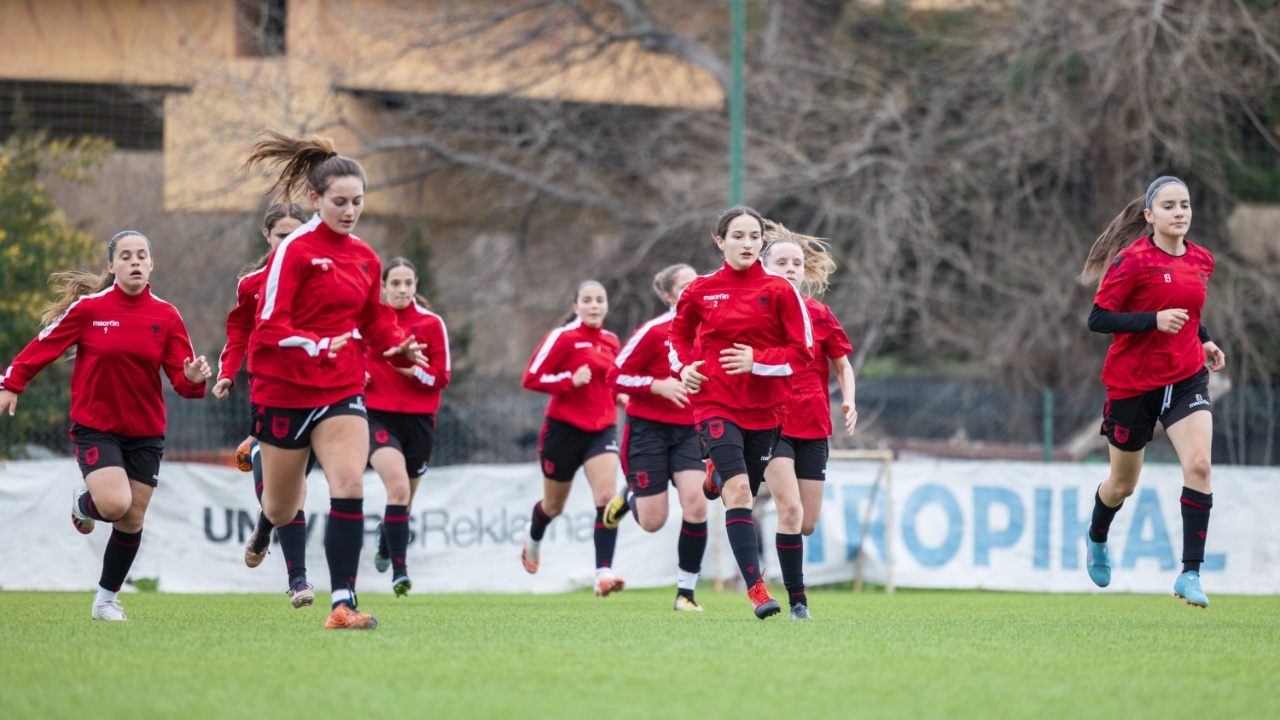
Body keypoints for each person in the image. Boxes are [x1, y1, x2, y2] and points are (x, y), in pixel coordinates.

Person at [239, 130, 426, 630]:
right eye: (339, 202)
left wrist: (397, 346)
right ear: (314, 199)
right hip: (282, 388)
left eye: (358, 202)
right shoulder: (293, 252)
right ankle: (263, 473)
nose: (349, 211)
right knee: (281, 507)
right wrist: (318, 344)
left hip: (342, 387)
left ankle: (342, 603)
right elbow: (271, 326)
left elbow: (375, 320)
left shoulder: (366, 257)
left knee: (348, 487)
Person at [0, 230, 211, 621]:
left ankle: (105, 601)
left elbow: (182, 381)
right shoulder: (88, 309)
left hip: (146, 431)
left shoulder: (166, 315)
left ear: (151, 265)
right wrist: (11, 383)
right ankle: (85, 503)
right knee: (114, 505)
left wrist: (195, 378)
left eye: (141, 255)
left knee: (132, 518)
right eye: (126, 256)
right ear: (111, 266)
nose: (134, 262)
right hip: (96, 426)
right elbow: (44, 344)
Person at [1080, 176, 1225, 608]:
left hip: (1185, 378)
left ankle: (1190, 573)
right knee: (1122, 485)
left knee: (1199, 464)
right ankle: (1097, 535)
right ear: (1149, 215)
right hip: (1132, 384)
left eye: (1184, 205)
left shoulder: (1201, 259)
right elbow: (1098, 318)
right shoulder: (1132, 260)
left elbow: (1189, 310)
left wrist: (1204, 338)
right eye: (1168, 206)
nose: (1179, 212)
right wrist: (1152, 320)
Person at [668, 206, 813, 619]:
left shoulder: (781, 291)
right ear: (720, 241)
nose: (748, 243)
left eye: (754, 236)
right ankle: (756, 590)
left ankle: (714, 469)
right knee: (740, 493)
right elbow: (676, 335)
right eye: (738, 236)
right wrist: (685, 368)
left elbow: (801, 354)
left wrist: (758, 362)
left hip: (767, 409)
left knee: (740, 486)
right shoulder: (699, 290)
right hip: (715, 401)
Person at [212, 202, 316, 608]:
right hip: (269, 392)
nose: (288, 243)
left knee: (286, 493)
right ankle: (299, 581)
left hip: (316, 395)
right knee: (293, 492)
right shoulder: (252, 284)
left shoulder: (318, 279)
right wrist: (226, 373)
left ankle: (262, 528)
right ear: (267, 236)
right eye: (280, 236)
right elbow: (237, 332)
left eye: (296, 235)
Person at [758, 222, 858, 619]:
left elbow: (842, 365)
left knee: (807, 524)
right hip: (772, 422)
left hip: (814, 425)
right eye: (781, 262)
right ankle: (798, 602)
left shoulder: (819, 313)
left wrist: (849, 400)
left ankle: (778, 564)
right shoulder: (756, 313)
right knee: (790, 511)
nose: (790, 268)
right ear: (765, 268)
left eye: (796, 262)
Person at [601, 263, 709, 611]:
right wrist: (656, 385)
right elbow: (615, 377)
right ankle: (629, 497)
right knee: (653, 521)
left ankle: (685, 595)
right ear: (668, 296)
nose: (694, 290)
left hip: (691, 430)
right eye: (685, 286)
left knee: (696, 503)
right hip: (647, 431)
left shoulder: (712, 329)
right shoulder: (653, 332)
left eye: (698, 283)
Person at [520, 281, 626, 597]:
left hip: (602, 430)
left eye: (600, 300)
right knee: (553, 506)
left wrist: (622, 397)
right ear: (576, 306)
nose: (594, 306)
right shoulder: (562, 337)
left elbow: (615, 381)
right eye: (587, 300)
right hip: (563, 431)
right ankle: (534, 537)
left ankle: (602, 574)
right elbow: (530, 378)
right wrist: (569, 380)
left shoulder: (611, 340)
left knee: (606, 497)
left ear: (607, 306)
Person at [363, 257, 451, 597]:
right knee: (397, 489)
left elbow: (443, 377)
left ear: (416, 286)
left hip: (419, 421)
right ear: (382, 286)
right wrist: (359, 375)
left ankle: (386, 546)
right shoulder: (368, 320)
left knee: (405, 500)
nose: (401, 289)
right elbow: (348, 356)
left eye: (407, 283)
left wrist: (413, 372)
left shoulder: (431, 323)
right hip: (377, 417)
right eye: (394, 283)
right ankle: (400, 573)